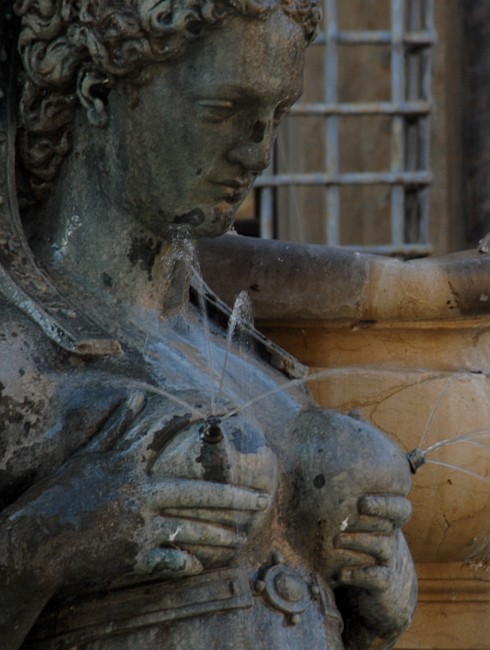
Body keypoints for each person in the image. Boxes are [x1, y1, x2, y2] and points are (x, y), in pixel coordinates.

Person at [0, 1, 416, 647]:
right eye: (226, 109)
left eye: (278, 115)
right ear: (100, 91)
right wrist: (44, 544)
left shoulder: (260, 371)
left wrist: (375, 606)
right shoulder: (17, 362)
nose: (260, 151)